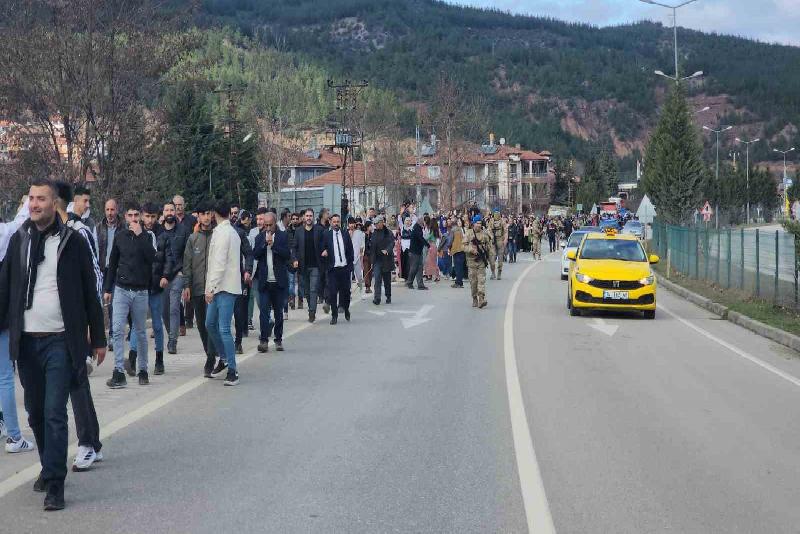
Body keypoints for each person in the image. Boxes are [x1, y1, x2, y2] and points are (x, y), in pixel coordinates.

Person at [0, 178, 106, 511]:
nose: (34, 204)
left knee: (54, 412)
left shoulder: (72, 241)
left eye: (41, 199)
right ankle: (48, 467)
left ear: (54, 203)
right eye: (31, 199)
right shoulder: (19, 241)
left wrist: (98, 338)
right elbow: (5, 289)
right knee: (34, 412)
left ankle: (56, 483)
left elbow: (89, 290)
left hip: (61, 340)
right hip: (27, 342)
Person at [55, 182, 105, 471]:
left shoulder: (79, 233)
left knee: (76, 383)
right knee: (76, 384)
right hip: (50, 326)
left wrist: (90, 322)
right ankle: (92, 442)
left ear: (59, 203)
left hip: (74, 324)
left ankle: (86, 443)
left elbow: (94, 276)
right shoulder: (39, 235)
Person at [104, 202, 155, 388]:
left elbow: (152, 258)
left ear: (140, 217)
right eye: (130, 215)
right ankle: (118, 371)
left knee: (140, 332)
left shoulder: (147, 237)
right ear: (125, 217)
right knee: (117, 330)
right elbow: (112, 263)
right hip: (122, 289)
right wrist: (108, 289)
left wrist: (140, 234)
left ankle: (143, 370)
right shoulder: (120, 237)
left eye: (136, 215)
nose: (133, 219)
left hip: (140, 291)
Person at [0, 195, 34, 455]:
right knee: (4, 379)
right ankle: (13, 435)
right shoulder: (4, 234)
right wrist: (26, 201)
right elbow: (21, 222)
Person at [205, 202, 242, 386]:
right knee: (209, 323)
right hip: (218, 287)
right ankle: (225, 358)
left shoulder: (225, 233)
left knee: (224, 328)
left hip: (225, 287)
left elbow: (218, 264)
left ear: (214, 214)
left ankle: (233, 371)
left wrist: (210, 288)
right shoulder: (225, 231)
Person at [182, 203, 218, 377]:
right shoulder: (192, 239)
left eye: (208, 213)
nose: (205, 217)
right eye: (202, 214)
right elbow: (187, 264)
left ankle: (211, 358)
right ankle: (209, 353)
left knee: (212, 324)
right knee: (202, 325)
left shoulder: (218, 236)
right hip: (196, 289)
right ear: (198, 216)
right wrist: (186, 285)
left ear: (212, 215)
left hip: (214, 290)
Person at [130, 203, 166, 375]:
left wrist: (165, 276)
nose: (149, 220)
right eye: (147, 216)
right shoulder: (136, 232)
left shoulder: (163, 234)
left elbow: (168, 258)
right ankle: (132, 358)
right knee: (138, 325)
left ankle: (159, 358)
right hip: (140, 284)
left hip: (156, 285)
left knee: (157, 325)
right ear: (142, 215)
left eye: (153, 216)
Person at [252, 212, 290, 353]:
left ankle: (278, 339)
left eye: (270, 225)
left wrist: (273, 246)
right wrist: (264, 244)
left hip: (278, 281)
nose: (268, 228)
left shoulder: (283, 236)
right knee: (263, 313)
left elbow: (287, 254)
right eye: (265, 225)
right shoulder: (259, 238)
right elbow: (255, 254)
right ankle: (263, 340)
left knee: (279, 313)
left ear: (275, 223)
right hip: (265, 281)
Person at [159, 201, 189, 354]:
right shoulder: (159, 231)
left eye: (172, 209)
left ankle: (172, 340)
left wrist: (183, 273)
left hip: (177, 273)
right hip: (162, 276)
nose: (170, 212)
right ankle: (171, 332)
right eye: (167, 210)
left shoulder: (183, 231)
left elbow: (187, 253)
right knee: (164, 310)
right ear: (163, 213)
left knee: (174, 307)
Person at [95, 198, 121, 349]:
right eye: (107, 210)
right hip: (102, 270)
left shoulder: (123, 227)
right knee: (99, 304)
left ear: (117, 210)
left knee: (113, 305)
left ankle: (112, 335)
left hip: (117, 271)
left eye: (112, 210)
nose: (110, 213)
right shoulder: (98, 228)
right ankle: (99, 337)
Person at [320, 214, 353, 325]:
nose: (336, 224)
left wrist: (349, 266)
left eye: (338, 222)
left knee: (346, 292)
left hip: (344, 268)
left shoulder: (345, 234)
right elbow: (323, 248)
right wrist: (324, 252)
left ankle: (346, 309)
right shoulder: (326, 235)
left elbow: (350, 250)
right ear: (330, 222)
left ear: (340, 223)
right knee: (333, 293)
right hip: (333, 269)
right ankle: (334, 315)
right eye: (334, 222)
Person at [292, 208, 324, 323]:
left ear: (313, 217)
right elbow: (294, 247)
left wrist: (325, 250)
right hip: (303, 266)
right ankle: (311, 307)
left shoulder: (319, 230)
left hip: (315, 265)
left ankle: (312, 312)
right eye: (307, 216)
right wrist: (294, 259)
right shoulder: (299, 231)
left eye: (311, 216)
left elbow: (324, 243)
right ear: (304, 218)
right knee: (306, 291)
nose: (309, 218)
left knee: (313, 289)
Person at [232, 210, 253, 355]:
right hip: (219, 280)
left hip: (236, 278)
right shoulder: (215, 233)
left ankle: (238, 341)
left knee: (239, 311)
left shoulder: (239, 233)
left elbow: (249, 253)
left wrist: (247, 270)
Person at [463, 215, 491, 309]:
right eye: (477, 223)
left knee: (481, 280)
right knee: (473, 282)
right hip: (471, 262)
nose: (479, 225)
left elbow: (489, 246)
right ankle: (474, 298)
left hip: (481, 262)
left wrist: (489, 257)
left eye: (480, 223)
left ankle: (481, 299)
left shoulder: (484, 234)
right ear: (473, 223)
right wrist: (471, 249)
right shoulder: (469, 233)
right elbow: (463, 246)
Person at [369, 216, 394, 305]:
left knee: (387, 280)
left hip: (386, 259)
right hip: (377, 260)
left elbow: (392, 243)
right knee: (377, 279)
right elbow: (372, 248)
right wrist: (372, 261)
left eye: (377, 223)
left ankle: (388, 296)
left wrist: (387, 250)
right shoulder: (374, 233)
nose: (376, 225)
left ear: (381, 223)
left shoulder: (388, 232)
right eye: (375, 224)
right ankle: (377, 298)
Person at [406, 216, 428, 290]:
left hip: (418, 251)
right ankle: (409, 282)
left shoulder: (418, 227)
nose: (424, 223)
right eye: (423, 221)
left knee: (419, 268)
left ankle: (420, 284)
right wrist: (427, 244)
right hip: (414, 252)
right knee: (414, 268)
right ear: (420, 221)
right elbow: (420, 238)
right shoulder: (417, 228)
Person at [487, 209, 507, 280]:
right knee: (492, 258)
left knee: (500, 259)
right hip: (493, 241)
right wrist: (491, 236)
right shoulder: (491, 221)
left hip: (500, 240)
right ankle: (493, 272)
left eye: (497, 213)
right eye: (495, 213)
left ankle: (499, 273)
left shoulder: (502, 221)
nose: (496, 215)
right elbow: (488, 230)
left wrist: (505, 239)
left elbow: (505, 231)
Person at [349, 217, 365, 292]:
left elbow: (362, 244)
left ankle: (361, 289)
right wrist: (350, 234)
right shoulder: (346, 233)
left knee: (358, 275)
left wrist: (361, 254)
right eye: (349, 223)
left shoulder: (359, 233)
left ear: (355, 224)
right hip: (348, 258)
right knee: (348, 276)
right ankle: (348, 290)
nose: (351, 225)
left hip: (357, 257)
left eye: (352, 223)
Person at [362, 220, 373, 295]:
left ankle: (369, 285)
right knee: (366, 270)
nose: (371, 227)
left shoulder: (372, 235)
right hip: (365, 254)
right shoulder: (363, 235)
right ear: (367, 226)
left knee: (370, 271)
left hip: (372, 255)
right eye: (370, 226)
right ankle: (367, 286)